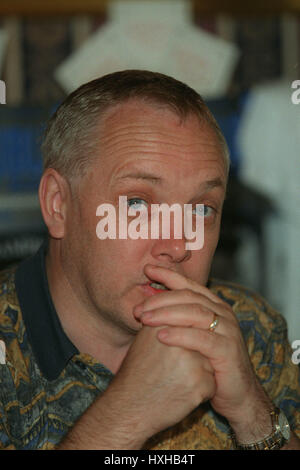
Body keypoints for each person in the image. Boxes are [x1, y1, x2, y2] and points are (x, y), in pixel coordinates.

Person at [0, 70, 299, 450]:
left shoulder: (250, 329)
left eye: (201, 210)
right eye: (137, 204)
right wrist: (123, 417)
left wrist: (252, 413)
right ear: (58, 205)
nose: (177, 246)